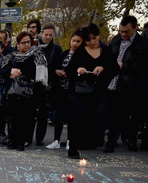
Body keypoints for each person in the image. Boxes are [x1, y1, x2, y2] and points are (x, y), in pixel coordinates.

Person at [67, 24, 118, 159]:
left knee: (96, 115)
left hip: (97, 90)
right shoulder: (80, 51)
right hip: (79, 89)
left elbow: (114, 68)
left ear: (98, 36)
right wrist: (78, 70)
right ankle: (73, 147)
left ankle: (89, 141)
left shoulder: (106, 50)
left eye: (94, 38)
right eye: (88, 40)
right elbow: (69, 70)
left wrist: (103, 69)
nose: (92, 42)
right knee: (77, 116)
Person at [105, 15, 148, 152]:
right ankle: (111, 142)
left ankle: (132, 140)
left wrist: (125, 66)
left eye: (127, 31)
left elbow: (144, 66)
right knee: (115, 114)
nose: (123, 34)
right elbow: (108, 57)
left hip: (133, 84)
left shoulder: (143, 44)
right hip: (114, 82)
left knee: (134, 115)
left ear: (135, 28)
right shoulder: (116, 40)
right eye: (121, 31)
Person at [3, 32, 48, 151]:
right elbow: (2, 70)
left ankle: (21, 142)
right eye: (24, 42)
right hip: (13, 90)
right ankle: (13, 140)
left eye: (29, 42)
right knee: (13, 117)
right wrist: (11, 71)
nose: (27, 45)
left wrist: (19, 71)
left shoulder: (36, 53)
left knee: (25, 118)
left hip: (29, 91)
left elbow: (37, 70)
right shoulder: (12, 56)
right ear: (18, 44)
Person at [46, 29, 84, 150]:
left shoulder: (82, 56)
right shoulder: (64, 54)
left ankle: (70, 140)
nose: (75, 44)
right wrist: (57, 71)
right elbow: (54, 67)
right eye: (73, 40)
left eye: (78, 41)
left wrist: (70, 74)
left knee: (72, 117)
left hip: (74, 90)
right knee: (59, 115)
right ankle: (56, 140)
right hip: (60, 89)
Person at [34, 25, 62, 147]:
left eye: (51, 35)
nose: (48, 37)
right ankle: (26, 138)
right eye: (46, 35)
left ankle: (40, 138)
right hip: (33, 83)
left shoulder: (57, 49)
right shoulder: (34, 47)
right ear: (41, 34)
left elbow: (58, 66)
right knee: (30, 113)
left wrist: (54, 71)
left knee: (43, 114)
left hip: (47, 85)